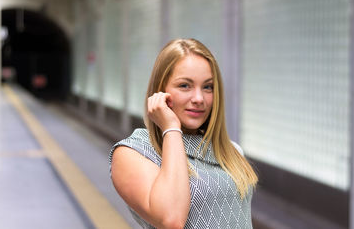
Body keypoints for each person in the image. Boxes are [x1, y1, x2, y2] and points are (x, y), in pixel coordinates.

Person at [109, 38, 258, 229]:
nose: (199, 98)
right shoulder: (133, 152)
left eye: (208, 87)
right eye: (185, 86)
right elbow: (170, 219)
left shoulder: (231, 151)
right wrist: (171, 128)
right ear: (160, 91)